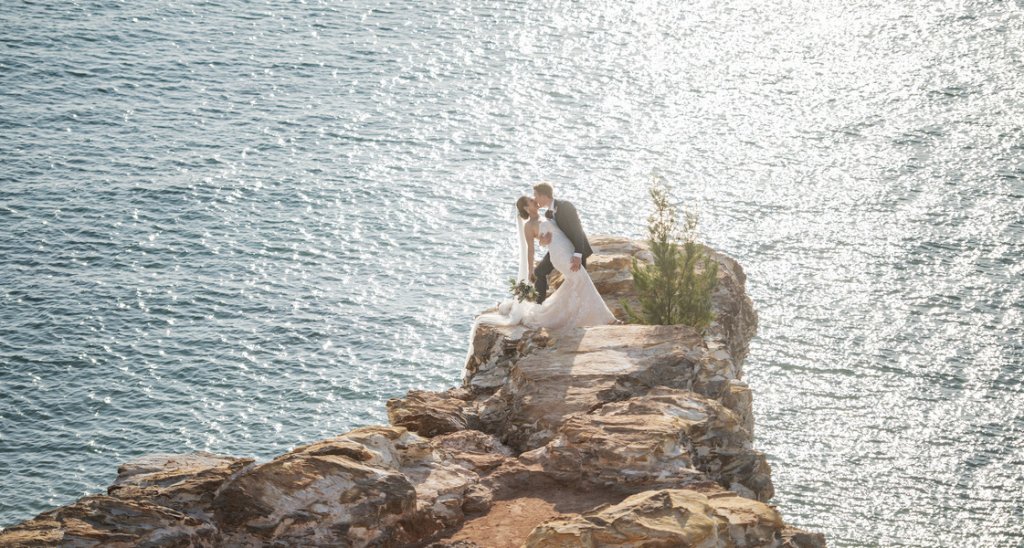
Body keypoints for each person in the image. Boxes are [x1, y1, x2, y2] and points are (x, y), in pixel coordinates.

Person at [478, 184, 616, 331]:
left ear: (544, 195)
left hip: (569, 251)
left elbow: (566, 231)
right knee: (582, 280)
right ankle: (607, 319)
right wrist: (531, 268)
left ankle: (562, 314)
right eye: (532, 200)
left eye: (535, 197)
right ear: (526, 208)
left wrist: (553, 245)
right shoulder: (529, 226)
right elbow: (531, 250)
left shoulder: (549, 214)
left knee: (578, 282)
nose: (535, 201)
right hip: (560, 255)